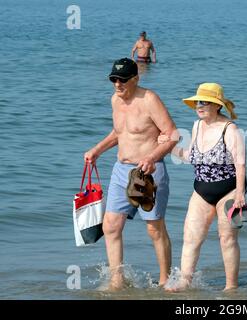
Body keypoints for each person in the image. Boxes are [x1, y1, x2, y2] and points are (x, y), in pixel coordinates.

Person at [84, 58, 177, 290]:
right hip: (120, 170)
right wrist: (97, 150)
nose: (117, 84)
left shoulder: (149, 100)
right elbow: (120, 132)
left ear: (136, 78)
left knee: (154, 228)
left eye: (123, 80)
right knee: (111, 226)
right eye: (114, 79)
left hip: (148, 172)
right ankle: (118, 280)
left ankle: (165, 280)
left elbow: (173, 134)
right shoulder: (115, 100)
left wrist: (152, 157)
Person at [158, 83, 247, 292]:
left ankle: (230, 288)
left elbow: (241, 163)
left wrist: (240, 194)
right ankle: (183, 281)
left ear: (217, 106)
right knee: (191, 236)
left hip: (229, 190)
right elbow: (192, 157)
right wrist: (170, 147)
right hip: (201, 190)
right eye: (198, 101)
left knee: (226, 239)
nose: (199, 105)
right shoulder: (197, 125)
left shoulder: (230, 129)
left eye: (205, 102)